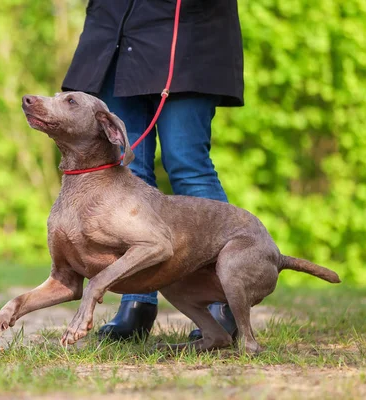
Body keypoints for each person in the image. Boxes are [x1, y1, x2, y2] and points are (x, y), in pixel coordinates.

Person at [61, 0, 243, 340]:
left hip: (187, 35)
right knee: (128, 167)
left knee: (188, 164)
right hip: (114, 35)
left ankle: (222, 298)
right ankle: (137, 301)